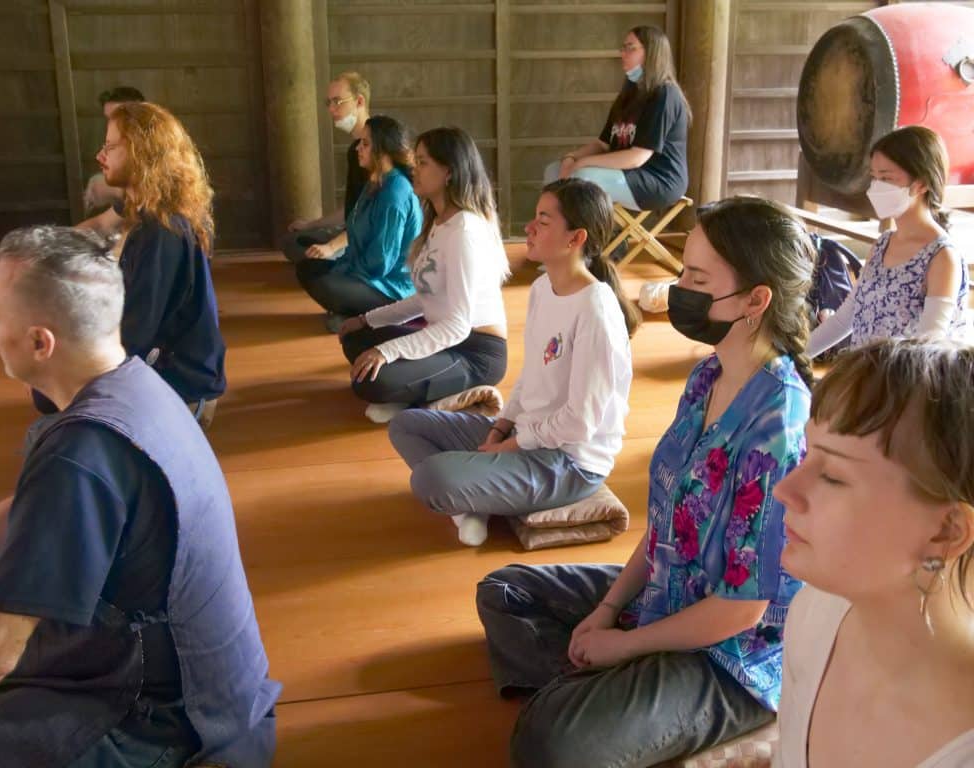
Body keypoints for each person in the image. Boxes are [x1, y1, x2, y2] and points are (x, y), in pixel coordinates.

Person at [476, 196, 815, 767]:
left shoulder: (777, 424)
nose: (677, 286)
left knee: (550, 743)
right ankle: (600, 690)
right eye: (684, 269)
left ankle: (594, 693)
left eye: (696, 277)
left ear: (757, 300)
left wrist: (625, 644)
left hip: (730, 653)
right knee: (504, 591)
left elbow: (742, 608)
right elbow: (667, 520)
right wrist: (609, 610)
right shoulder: (709, 374)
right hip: (669, 588)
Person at [0, 226, 279, 767]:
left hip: (167, 717)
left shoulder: (81, 451)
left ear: (40, 342)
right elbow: (31, 518)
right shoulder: (134, 385)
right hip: (140, 641)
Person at [388, 178, 638, 546]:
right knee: (406, 425)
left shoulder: (596, 310)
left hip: (568, 462)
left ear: (575, 238)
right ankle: (471, 506)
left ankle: (474, 493)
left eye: (543, 220)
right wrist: (500, 427)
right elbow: (531, 377)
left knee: (429, 479)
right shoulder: (541, 289)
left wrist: (507, 448)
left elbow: (579, 423)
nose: (529, 228)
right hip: (527, 433)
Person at [774, 338, 974, 767]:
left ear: (947, 530)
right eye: (808, 455)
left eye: (832, 476)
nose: (784, 489)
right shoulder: (813, 615)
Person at [337, 126, 510, 424]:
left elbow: (457, 325)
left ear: (449, 172)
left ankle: (443, 396)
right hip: (446, 338)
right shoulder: (440, 222)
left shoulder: (464, 231)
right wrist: (367, 320)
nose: (414, 169)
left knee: (371, 381)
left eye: (423, 162)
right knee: (356, 337)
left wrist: (387, 351)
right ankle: (417, 392)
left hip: (476, 353)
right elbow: (425, 299)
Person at [79, 101, 226, 426]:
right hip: (173, 371)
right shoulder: (153, 212)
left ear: (141, 153)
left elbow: (134, 337)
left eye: (111, 147)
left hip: (184, 386)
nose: (100, 156)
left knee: (48, 415)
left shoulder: (161, 231)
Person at [808, 125, 969, 357]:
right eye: (874, 177)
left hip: (908, 387)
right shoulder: (882, 245)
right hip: (867, 377)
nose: (876, 187)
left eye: (887, 178)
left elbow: (926, 349)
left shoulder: (942, 257)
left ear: (921, 183)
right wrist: (793, 357)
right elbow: (846, 319)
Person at [543, 25, 690, 213]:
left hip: (660, 180)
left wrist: (583, 163)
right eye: (623, 48)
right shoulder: (627, 95)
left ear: (652, 53)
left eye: (631, 48)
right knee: (553, 171)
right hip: (628, 174)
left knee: (583, 177)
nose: (623, 54)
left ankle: (588, 237)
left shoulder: (665, 95)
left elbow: (637, 157)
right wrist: (572, 157)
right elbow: (602, 144)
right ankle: (560, 231)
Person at [296, 115, 422, 332]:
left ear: (382, 150)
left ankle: (369, 314)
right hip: (363, 272)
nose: (358, 149)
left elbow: (380, 262)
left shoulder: (395, 192)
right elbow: (354, 230)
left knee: (328, 283)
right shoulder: (374, 182)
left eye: (365, 144)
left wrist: (342, 271)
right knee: (307, 267)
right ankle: (353, 311)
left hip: (390, 287)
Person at [281, 71, 372, 264]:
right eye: (328, 103)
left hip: (370, 235)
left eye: (337, 101)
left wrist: (332, 246)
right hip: (351, 230)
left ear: (359, 102)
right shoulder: (353, 150)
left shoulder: (379, 150)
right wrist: (311, 224)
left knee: (305, 253)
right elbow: (351, 208)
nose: (331, 109)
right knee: (291, 241)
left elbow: (372, 215)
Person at [83, 85, 145, 214]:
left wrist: (119, 190)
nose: (112, 123)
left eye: (119, 117)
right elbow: (103, 223)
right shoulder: (114, 141)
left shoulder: (158, 144)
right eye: (109, 118)